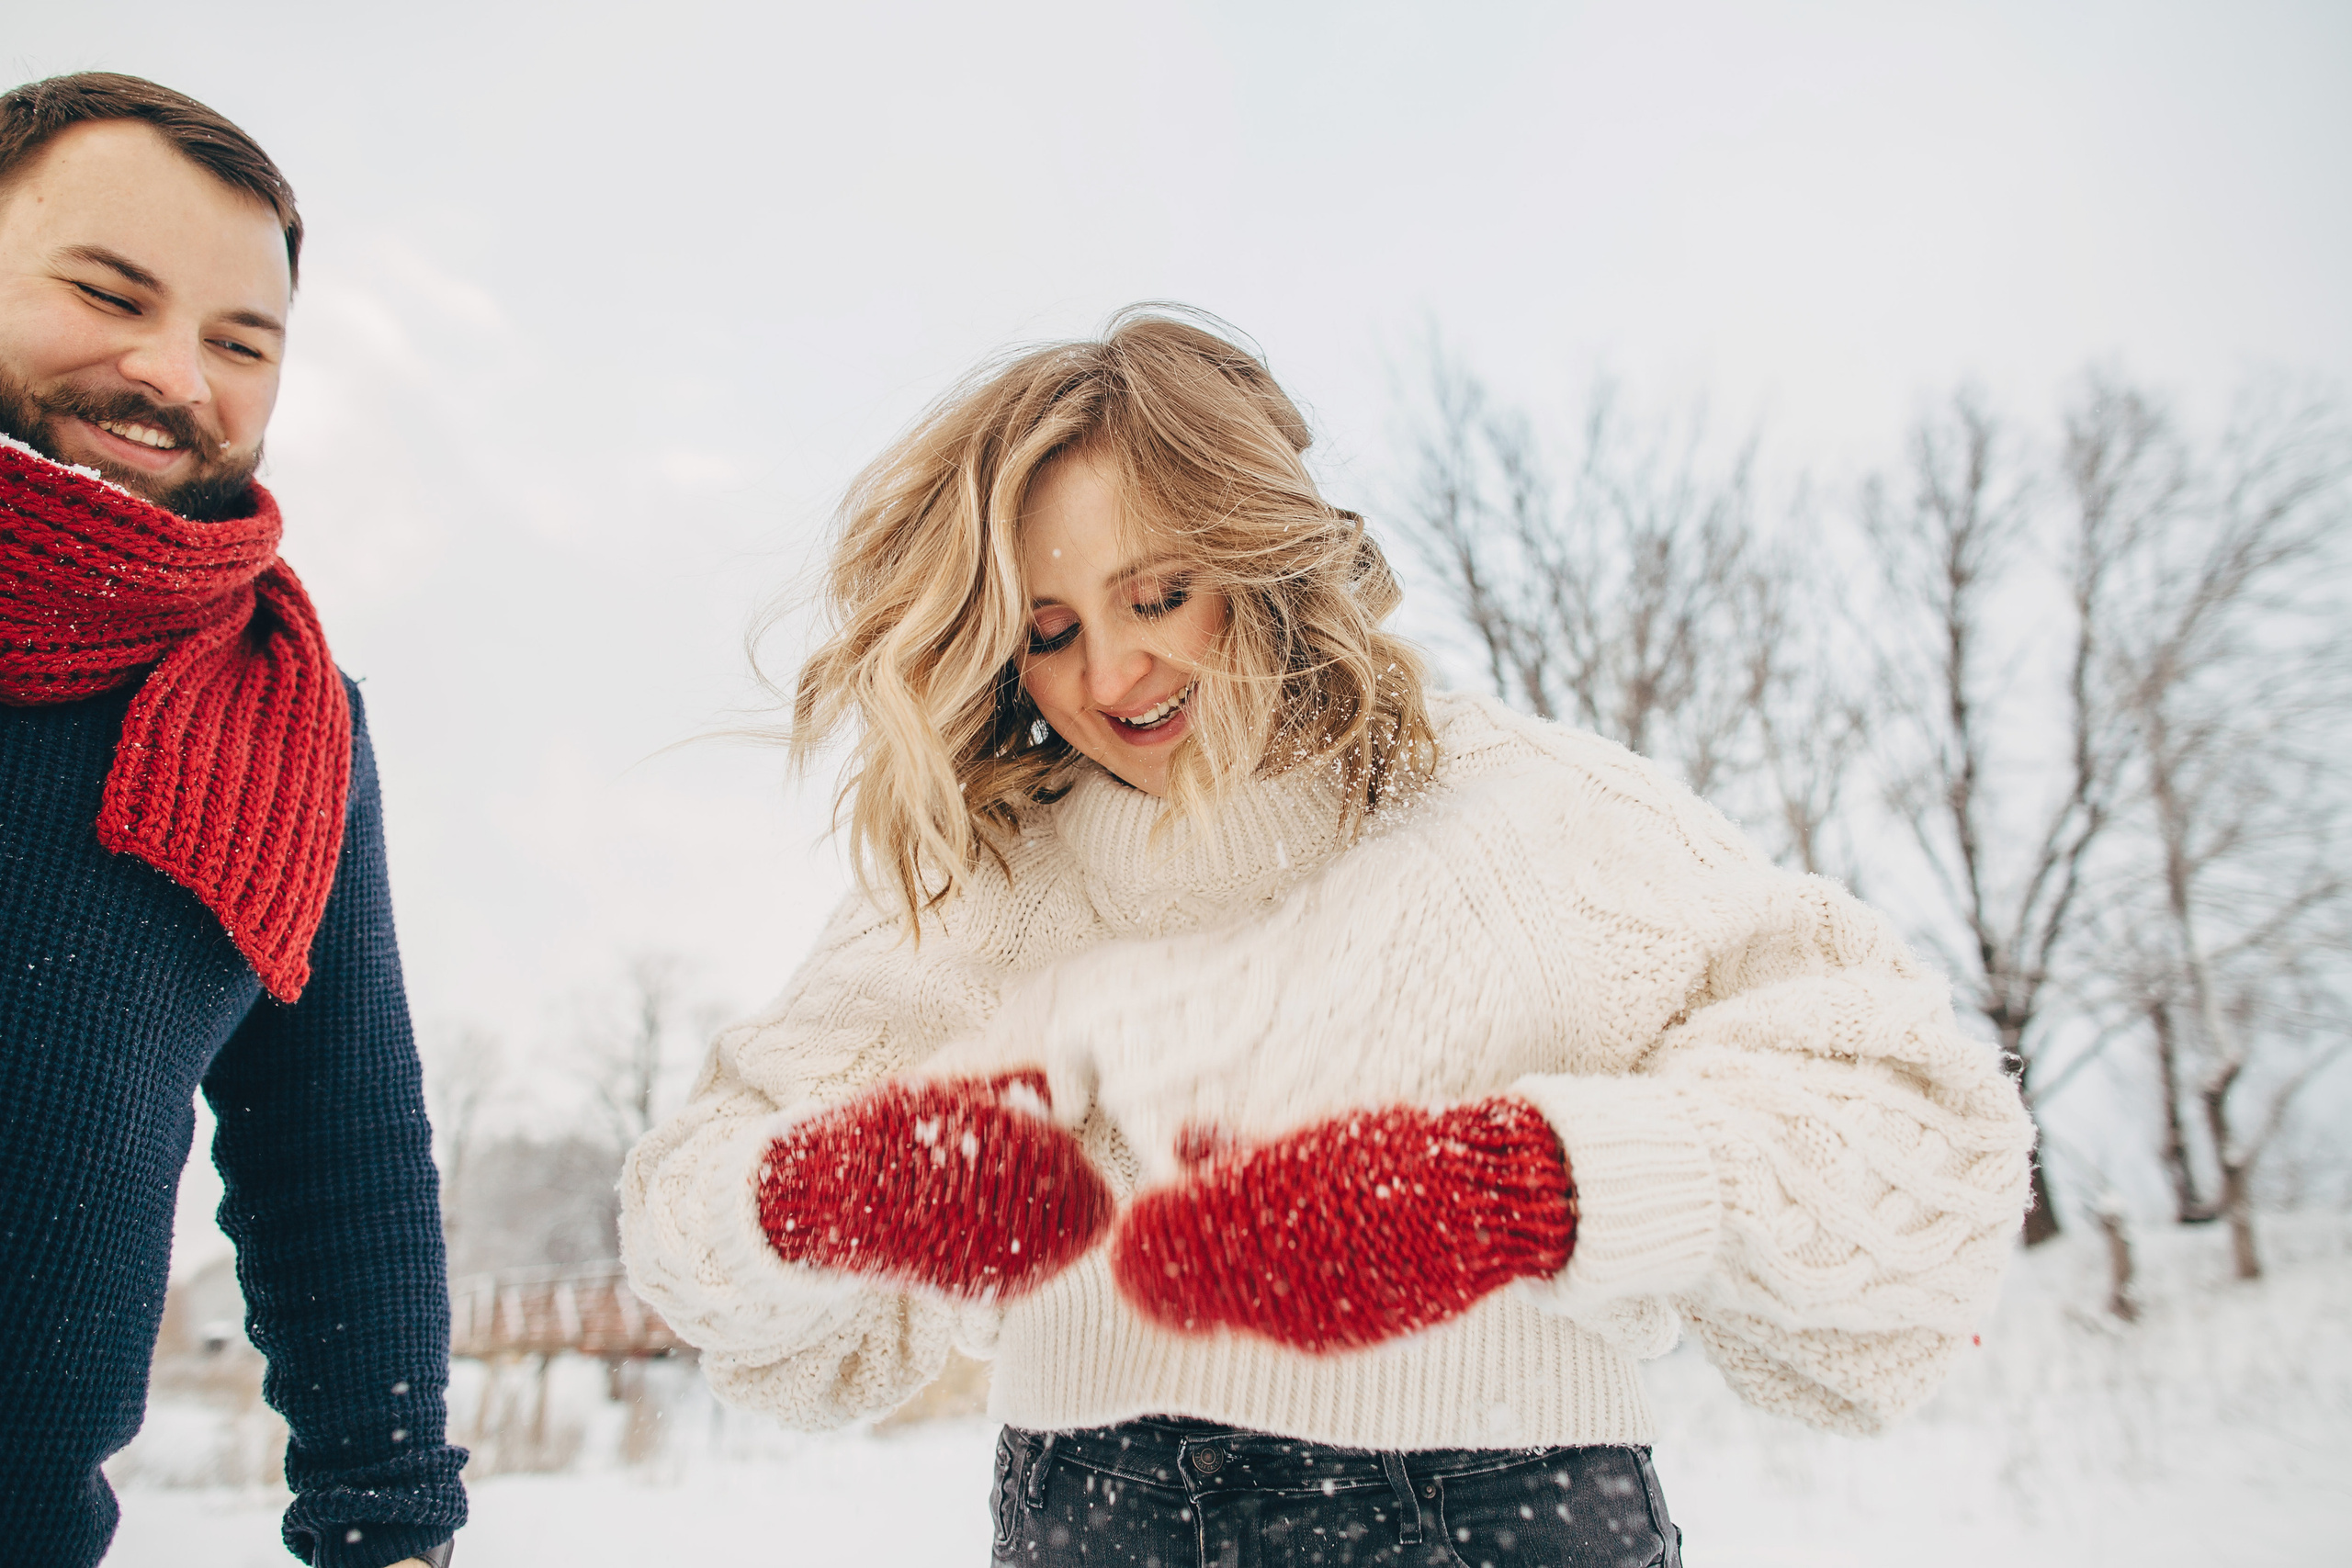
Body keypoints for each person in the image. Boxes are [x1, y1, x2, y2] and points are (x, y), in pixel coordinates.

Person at [622, 310, 2035, 1565]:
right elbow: (689, 1214)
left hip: (1505, 1515)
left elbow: (1925, 1140)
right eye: (1049, 632)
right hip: (1096, 1523)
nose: (1112, 673)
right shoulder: (986, 886)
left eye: (1157, 595)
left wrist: (1530, 1190)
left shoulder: (1530, 814)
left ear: (1264, 557)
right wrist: (811, 1198)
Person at [0, 73, 463, 1568]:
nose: (172, 374)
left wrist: (389, 1518)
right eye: (106, 292)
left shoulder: (282, 718)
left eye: (240, 342)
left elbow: (336, 1147)